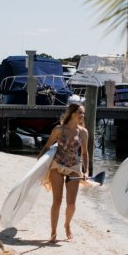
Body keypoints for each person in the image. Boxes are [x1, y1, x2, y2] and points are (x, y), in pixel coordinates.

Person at [38, 103, 89, 243]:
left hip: (74, 166)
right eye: (80, 113)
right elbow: (47, 146)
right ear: (72, 113)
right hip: (58, 165)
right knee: (57, 201)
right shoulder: (58, 130)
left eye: (83, 113)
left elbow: (84, 153)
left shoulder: (83, 132)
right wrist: (39, 163)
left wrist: (86, 170)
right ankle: (53, 232)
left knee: (71, 203)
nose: (82, 116)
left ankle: (67, 225)